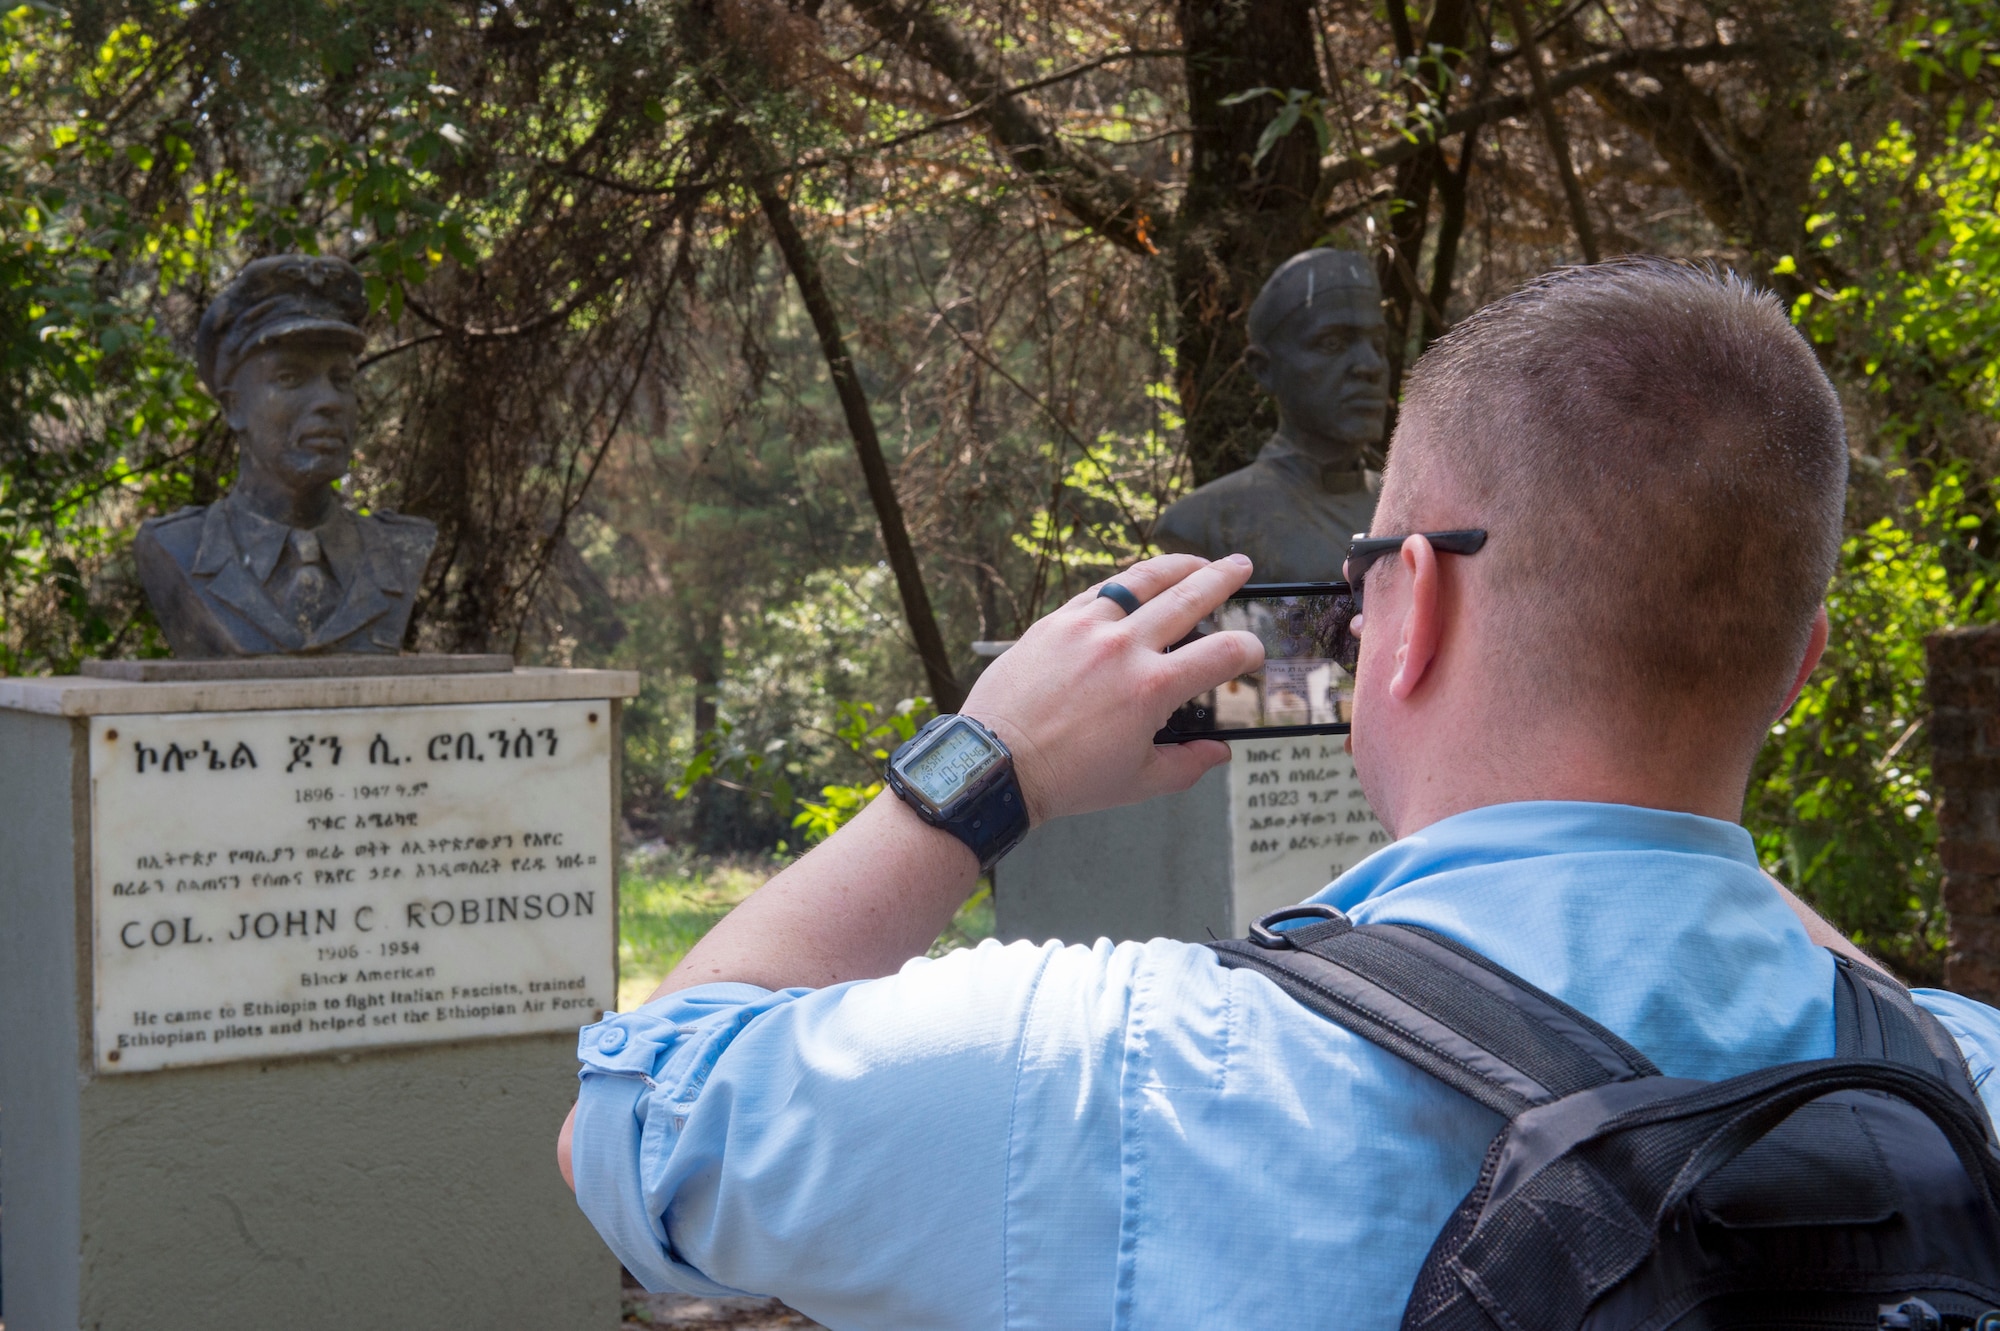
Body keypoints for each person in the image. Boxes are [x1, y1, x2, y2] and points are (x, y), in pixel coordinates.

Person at [559, 260, 2000, 1329]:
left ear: (1407, 602)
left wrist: (978, 771)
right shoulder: (1964, 1084)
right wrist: (1695, 802)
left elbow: (635, 1121)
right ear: (1801, 663)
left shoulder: (1116, 1070)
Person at [135, 254, 435, 657]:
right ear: (233, 407)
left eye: (341, 379)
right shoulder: (177, 549)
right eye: (290, 378)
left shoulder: (403, 548)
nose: (329, 401)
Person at [1152, 248, 1387, 580]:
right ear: (1264, 369)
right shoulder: (1204, 523)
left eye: (1378, 345)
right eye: (1332, 344)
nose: (1371, 366)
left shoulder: (1410, 507)